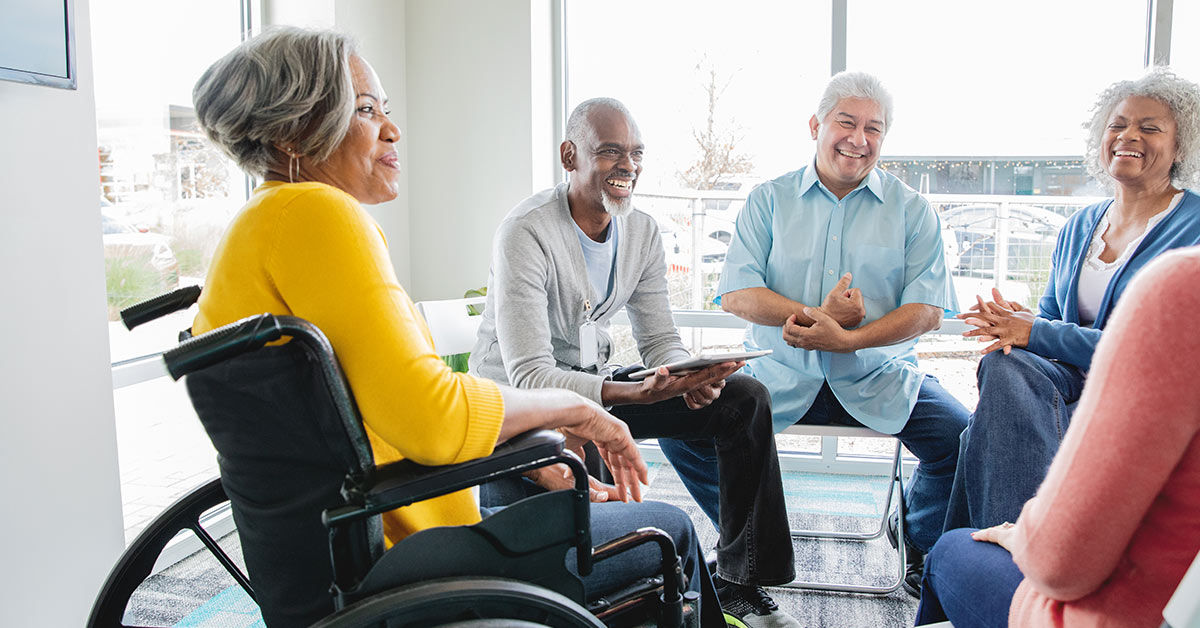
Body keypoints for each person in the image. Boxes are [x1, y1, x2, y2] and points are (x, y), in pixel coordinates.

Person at [190, 27, 723, 627]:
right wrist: (571, 412)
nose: (392, 129)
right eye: (365, 110)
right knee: (666, 527)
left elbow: (376, 410)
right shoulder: (316, 212)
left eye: (386, 110)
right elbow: (430, 416)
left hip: (334, 557)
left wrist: (519, 448)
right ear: (295, 130)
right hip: (409, 563)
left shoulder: (257, 228)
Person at [470, 97, 801, 627]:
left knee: (744, 400)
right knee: (585, 480)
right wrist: (628, 396)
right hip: (519, 405)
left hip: (594, 386)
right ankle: (620, 589)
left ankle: (741, 581)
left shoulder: (642, 232)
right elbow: (529, 373)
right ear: (569, 155)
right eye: (609, 152)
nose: (628, 165)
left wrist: (688, 375)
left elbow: (659, 338)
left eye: (636, 153)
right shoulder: (526, 231)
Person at [715, 71, 969, 597]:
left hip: (879, 376)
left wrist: (850, 340)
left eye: (874, 129)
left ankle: (918, 541)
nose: (859, 139)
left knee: (963, 438)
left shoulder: (913, 210)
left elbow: (928, 311)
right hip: (777, 377)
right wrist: (818, 317)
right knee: (688, 424)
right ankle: (747, 544)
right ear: (816, 125)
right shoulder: (768, 200)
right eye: (846, 123)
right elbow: (737, 294)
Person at [943, 67, 1200, 534]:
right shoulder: (1080, 226)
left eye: (1150, 127)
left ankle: (984, 550)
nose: (1128, 136)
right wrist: (1015, 325)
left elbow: (1161, 353)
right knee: (1003, 366)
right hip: (1063, 388)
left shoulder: (1195, 229)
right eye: (1118, 124)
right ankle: (1012, 545)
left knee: (983, 430)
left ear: (1181, 147)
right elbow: (1050, 318)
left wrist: (1036, 332)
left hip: (1141, 401)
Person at [915, 245, 1200, 628]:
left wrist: (1025, 540)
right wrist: (1028, 324)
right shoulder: (1082, 228)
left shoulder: (1182, 282)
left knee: (950, 550)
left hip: (1118, 611)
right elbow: (1049, 321)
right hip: (1173, 597)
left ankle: (992, 537)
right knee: (1001, 375)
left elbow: (1060, 569)